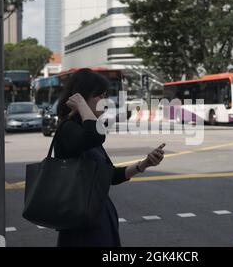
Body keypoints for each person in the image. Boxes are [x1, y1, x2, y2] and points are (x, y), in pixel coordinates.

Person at [54, 69, 165, 247]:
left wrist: (143, 165)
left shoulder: (85, 132)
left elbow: (111, 175)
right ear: (81, 98)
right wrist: (82, 107)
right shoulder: (68, 130)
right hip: (81, 225)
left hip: (99, 217)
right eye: (99, 96)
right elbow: (96, 135)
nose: (104, 102)